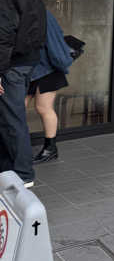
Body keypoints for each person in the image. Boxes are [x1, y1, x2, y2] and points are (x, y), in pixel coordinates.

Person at [0, 0, 46, 186]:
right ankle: (8, 169)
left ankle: (23, 175)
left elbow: (3, 35)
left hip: (11, 66)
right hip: (27, 62)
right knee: (9, 116)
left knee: (12, 118)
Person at [26, 11, 73, 164]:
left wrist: (61, 64)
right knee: (17, 107)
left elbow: (54, 43)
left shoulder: (42, 15)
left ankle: (50, 148)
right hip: (31, 68)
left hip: (48, 68)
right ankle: (17, 146)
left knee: (43, 108)